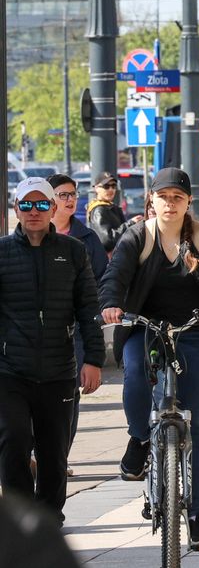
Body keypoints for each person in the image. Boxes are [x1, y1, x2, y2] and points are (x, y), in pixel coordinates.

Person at [98, 168, 199, 551]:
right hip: (145, 327)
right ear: (152, 200)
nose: (171, 203)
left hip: (192, 329)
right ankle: (141, 439)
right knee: (134, 382)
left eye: (179, 197)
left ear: (188, 202)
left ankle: (197, 516)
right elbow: (116, 273)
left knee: (198, 425)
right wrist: (111, 304)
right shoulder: (137, 236)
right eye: (164, 197)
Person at [0, 178, 104, 523]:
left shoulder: (73, 251)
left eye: (42, 205)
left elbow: (89, 307)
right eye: (26, 205)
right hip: (9, 370)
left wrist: (93, 359)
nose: (34, 212)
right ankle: (18, 516)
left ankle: (48, 516)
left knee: (53, 453)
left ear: (53, 209)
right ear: (16, 208)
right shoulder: (2, 252)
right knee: (13, 442)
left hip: (59, 370)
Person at [47, 173, 108, 470]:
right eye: (63, 195)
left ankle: (58, 458)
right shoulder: (34, 235)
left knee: (68, 395)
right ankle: (36, 454)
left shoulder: (86, 238)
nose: (70, 200)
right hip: (39, 331)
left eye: (73, 194)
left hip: (77, 331)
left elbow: (102, 279)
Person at [86, 172, 130, 253]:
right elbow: (107, 240)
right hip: (108, 260)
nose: (111, 189)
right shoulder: (99, 210)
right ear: (96, 188)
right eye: (106, 186)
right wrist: (130, 224)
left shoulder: (111, 207)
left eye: (113, 186)